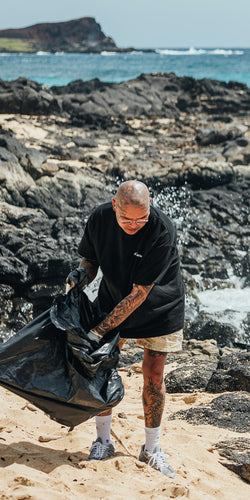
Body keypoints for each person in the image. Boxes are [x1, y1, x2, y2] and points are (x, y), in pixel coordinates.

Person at [65, 180, 185, 477]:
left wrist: (97, 331)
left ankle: (152, 449)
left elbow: (140, 293)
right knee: (101, 366)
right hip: (114, 297)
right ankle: (103, 441)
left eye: (141, 218)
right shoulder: (100, 218)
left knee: (153, 373)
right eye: (126, 219)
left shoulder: (161, 229)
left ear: (150, 205)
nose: (134, 225)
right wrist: (80, 275)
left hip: (160, 305)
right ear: (114, 205)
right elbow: (90, 260)